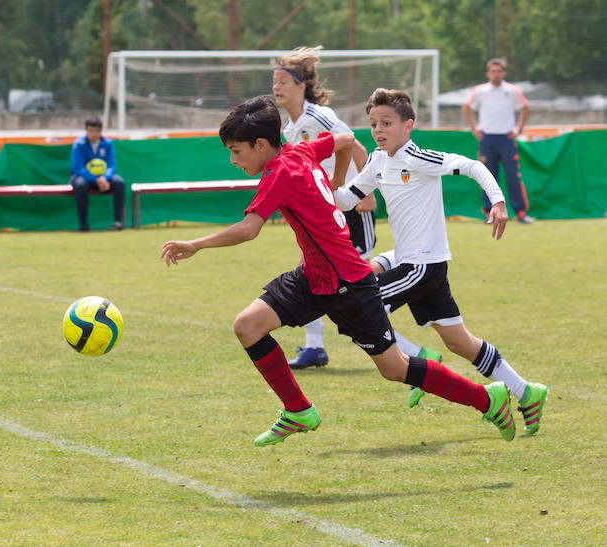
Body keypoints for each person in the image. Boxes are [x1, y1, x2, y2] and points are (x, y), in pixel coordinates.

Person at [161, 95, 518, 448]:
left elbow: (249, 229)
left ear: (260, 144)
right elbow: (345, 139)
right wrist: (336, 182)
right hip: (313, 276)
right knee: (248, 326)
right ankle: (298, 410)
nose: (232, 160)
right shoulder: (300, 151)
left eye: (236, 151)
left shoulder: (279, 172)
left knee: (394, 368)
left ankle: (488, 400)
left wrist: (196, 244)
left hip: (347, 283)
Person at [335, 89, 547, 435]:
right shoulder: (377, 160)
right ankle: (526, 391)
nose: (378, 130)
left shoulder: (418, 158)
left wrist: (497, 201)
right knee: (459, 342)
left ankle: (421, 360)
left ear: (408, 125)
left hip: (422, 266)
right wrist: (310, 193)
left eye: (386, 123)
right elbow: (347, 198)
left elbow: (472, 165)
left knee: (361, 307)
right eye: (373, 124)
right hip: (416, 264)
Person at [273, 46, 389, 369]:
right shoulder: (289, 128)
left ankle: (412, 350)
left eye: (283, 80)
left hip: (350, 209)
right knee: (311, 272)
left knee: (359, 286)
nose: (276, 87)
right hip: (325, 214)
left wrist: (365, 192)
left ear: (301, 86)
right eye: (274, 81)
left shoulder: (319, 117)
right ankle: (314, 347)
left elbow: (355, 143)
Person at [462, 58, 534, 224]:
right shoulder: (480, 91)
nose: (496, 74)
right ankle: (489, 213)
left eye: (499, 71)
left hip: (507, 138)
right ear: (488, 73)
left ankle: (521, 213)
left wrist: (518, 129)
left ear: (504, 73)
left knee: (513, 176)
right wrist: (474, 129)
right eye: (493, 71)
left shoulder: (512, 90)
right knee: (487, 176)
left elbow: (525, 107)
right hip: (487, 138)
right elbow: (467, 107)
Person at [70, 118, 125, 232]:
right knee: (81, 185)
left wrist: (105, 177)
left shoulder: (107, 144)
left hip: (104, 178)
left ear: (101, 131)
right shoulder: (79, 144)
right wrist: (96, 179)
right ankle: (83, 224)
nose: (94, 134)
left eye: (97, 131)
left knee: (119, 182)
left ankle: (118, 223)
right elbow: (79, 168)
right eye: (91, 131)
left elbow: (111, 165)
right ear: (86, 130)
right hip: (83, 178)